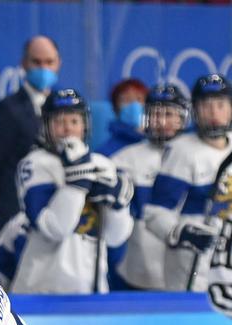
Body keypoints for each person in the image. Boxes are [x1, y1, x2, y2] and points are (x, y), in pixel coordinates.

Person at [12, 88, 133, 294]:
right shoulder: (34, 164)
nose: (67, 129)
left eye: (74, 122)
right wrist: (76, 184)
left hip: (91, 287)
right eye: (59, 122)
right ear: (46, 126)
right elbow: (55, 228)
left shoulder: (102, 164)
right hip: (42, 287)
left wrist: (119, 207)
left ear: (85, 126)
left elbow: (115, 238)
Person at [144, 73, 232, 291]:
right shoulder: (181, 151)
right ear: (194, 110)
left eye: (221, 105)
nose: (214, 112)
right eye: (206, 106)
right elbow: (154, 214)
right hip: (192, 271)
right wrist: (181, 232)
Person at [0, 35, 62, 235]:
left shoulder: (65, 110)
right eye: (37, 62)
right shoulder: (6, 110)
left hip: (55, 214)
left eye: (49, 62)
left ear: (58, 64)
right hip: (13, 217)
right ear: (24, 63)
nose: (44, 68)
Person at [115, 85, 190, 290]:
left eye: (169, 114)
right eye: (155, 113)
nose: (162, 121)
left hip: (187, 269)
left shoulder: (198, 155)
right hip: (138, 272)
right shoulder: (124, 159)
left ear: (183, 117)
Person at [95, 78, 149, 158]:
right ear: (115, 109)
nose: (134, 105)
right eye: (126, 100)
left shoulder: (160, 144)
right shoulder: (104, 153)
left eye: (139, 99)